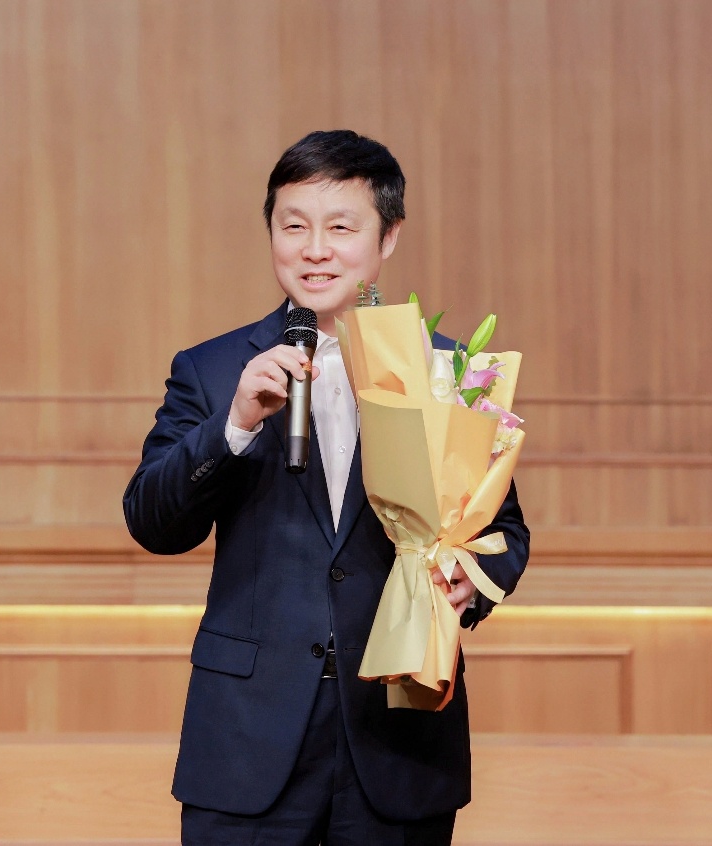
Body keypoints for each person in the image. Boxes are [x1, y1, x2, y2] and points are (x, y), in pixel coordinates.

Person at [123, 129, 530, 846]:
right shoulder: (213, 369)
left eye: (341, 228)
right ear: (271, 232)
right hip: (247, 737)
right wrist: (233, 425)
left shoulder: (450, 371)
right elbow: (153, 522)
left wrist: (472, 579)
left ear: (388, 236)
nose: (315, 250)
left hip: (397, 729)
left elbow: (505, 532)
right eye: (294, 227)